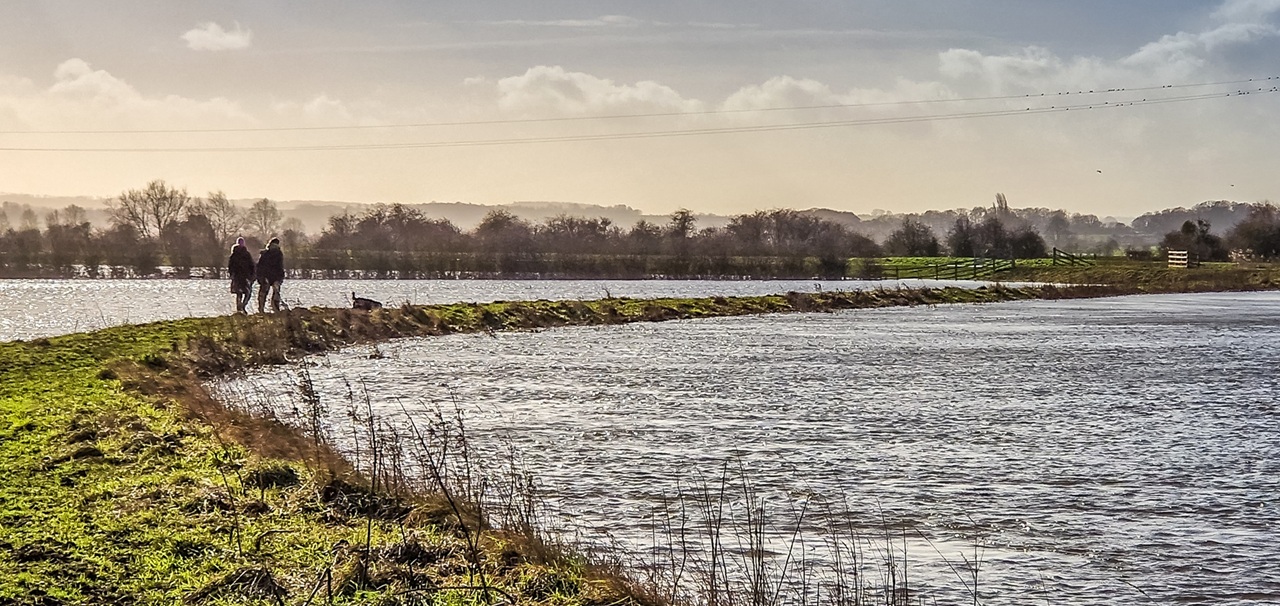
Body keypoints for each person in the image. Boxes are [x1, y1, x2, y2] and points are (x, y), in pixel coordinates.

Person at [255, 237, 285, 313]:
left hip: (267, 275)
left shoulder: (265, 253)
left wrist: (260, 276)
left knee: (263, 292)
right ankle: (275, 308)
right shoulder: (278, 253)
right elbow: (280, 266)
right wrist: (280, 277)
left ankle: (261, 308)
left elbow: (259, 266)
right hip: (274, 276)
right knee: (276, 292)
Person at [228, 237, 255, 313]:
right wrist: (252, 275)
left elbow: (230, 266)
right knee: (246, 292)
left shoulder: (235, 254)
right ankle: (242, 306)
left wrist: (231, 274)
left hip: (239, 276)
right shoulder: (246, 254)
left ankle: (240, 307)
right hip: (243, 276)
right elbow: (251, 265)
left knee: (240, 293)